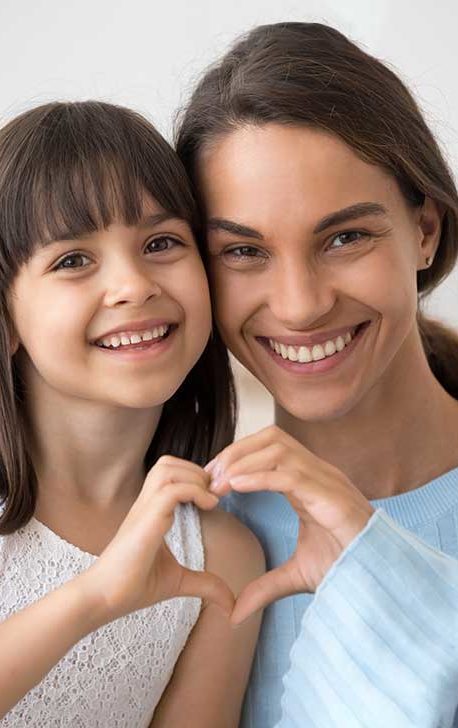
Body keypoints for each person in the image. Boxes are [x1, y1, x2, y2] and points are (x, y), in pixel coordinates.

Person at [176, 21, 458, 728]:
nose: (301, 305)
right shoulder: (197, 551)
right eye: (243, 252)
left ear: (424, 229)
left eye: (345, 237)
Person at [0, 100, 264, 727]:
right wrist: (93, 599)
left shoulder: (222, 559)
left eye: (161, 242)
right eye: (72, 259)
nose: (133, 284)